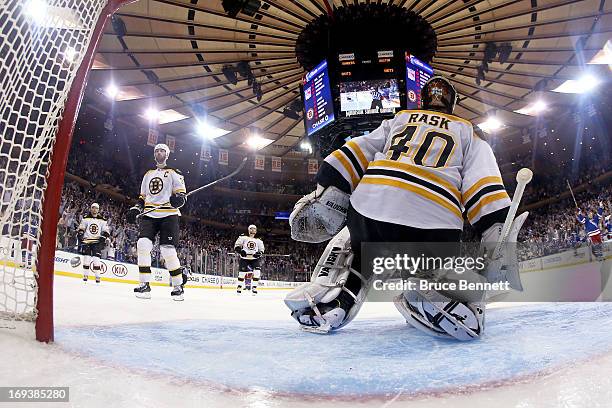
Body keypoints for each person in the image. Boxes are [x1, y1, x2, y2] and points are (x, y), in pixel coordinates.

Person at [286, 75, 528, 340]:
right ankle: (443, 297)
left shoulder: (399, 120)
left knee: (355, 251)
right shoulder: (469, 131)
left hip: (374, 206)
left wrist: (329, 191)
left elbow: (355, 151)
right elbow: (484, 185)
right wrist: (496, 233)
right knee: (435, 266)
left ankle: (335, 301)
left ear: (422, 101)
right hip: (435, 221)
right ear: (453, 105)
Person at [127, 144, 187, 300]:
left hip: (169, 214)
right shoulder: (148, 174)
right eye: (156, 151)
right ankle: (144, 284)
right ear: (154, 155)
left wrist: (178, 200)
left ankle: (178, 285)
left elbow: (181, 195)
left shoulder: (174, 172)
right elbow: (142, 197)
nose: (159, 153)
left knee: (167, 250)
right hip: (150, 213)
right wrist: (136, 208)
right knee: (142, 245)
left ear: (167, 154)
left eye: (162, 151)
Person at [77, 203, 110, 283]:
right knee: (86, 259)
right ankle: (85, 275)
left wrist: (103, 237)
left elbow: (106, 231)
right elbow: (81, 228)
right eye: (93, 208)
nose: (94, 209)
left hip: (96, 242)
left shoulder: (102, 220)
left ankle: (97, 276)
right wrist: (80, 234)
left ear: (98, 210)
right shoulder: (85, 218)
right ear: (91, 209)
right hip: (87, 241)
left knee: (96, 259)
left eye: (96, 208)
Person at [234, 224, 264, 295]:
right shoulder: (243, 237)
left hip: (254, 258)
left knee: (257, 272)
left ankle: (254, 288)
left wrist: (259, 253)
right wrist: (241, 251)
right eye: (251, 228)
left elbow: (261, 249)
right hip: (244, 258)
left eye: (254, 229)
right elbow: (237, 246)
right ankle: (239, 286)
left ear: (256, 231)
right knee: (242, 273)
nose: (252, 230)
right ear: (248, 230)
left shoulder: (258, 240)